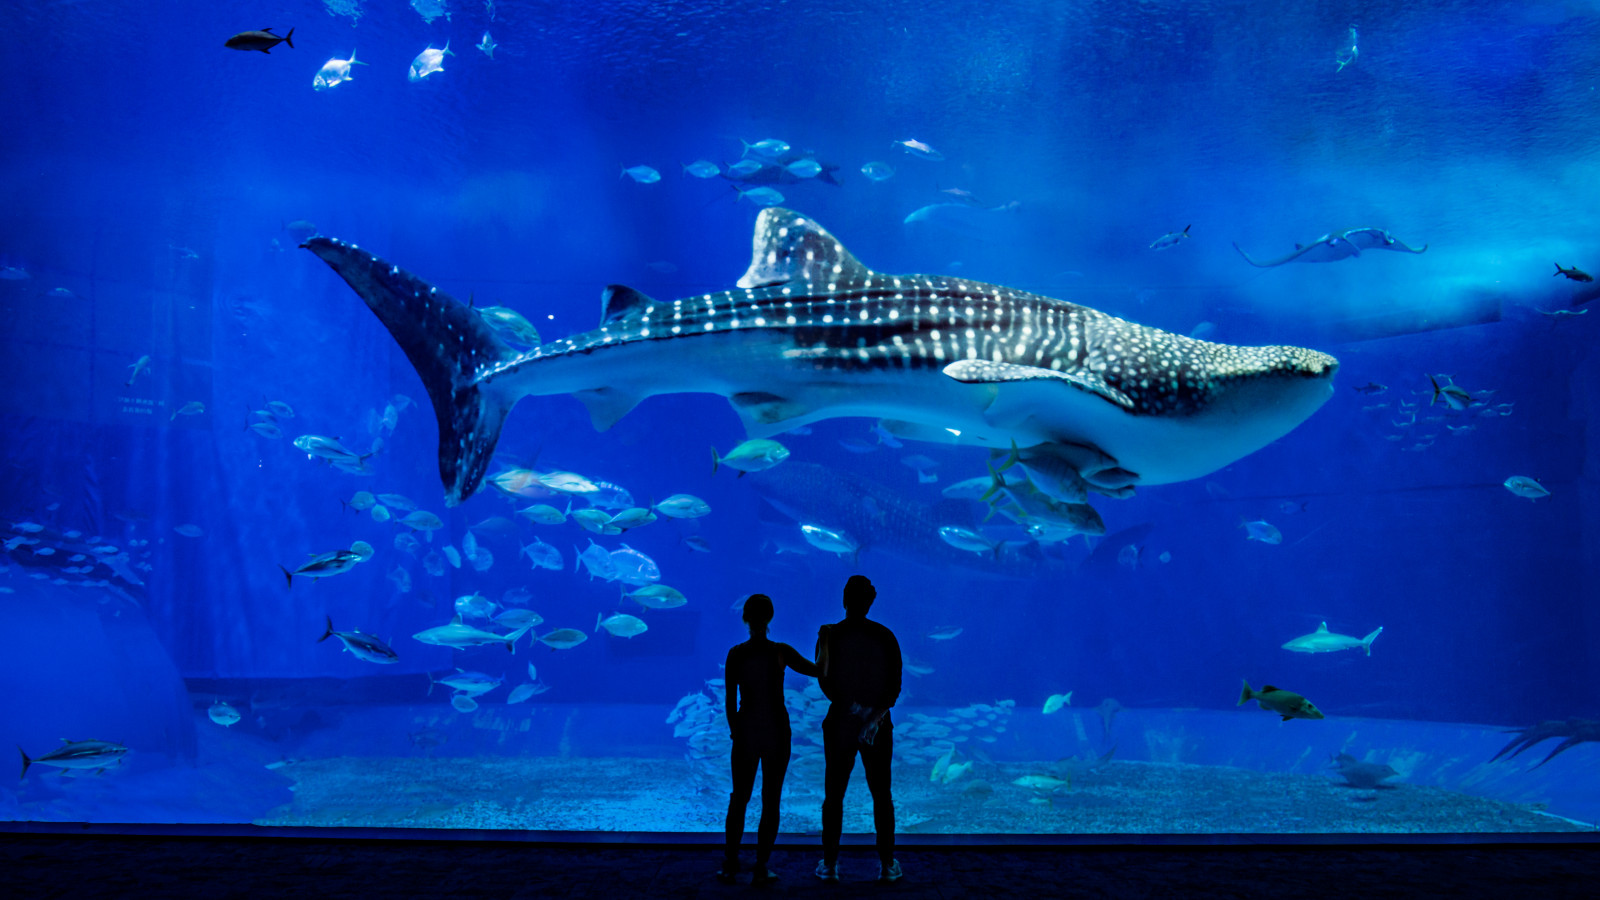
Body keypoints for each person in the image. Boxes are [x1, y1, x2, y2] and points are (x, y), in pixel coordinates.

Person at [718, 593, 821, 886]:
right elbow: (815, 670)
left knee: (739, 798)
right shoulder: (781, 652)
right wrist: (826, 643)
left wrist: (735, 730)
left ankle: (730, 863)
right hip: (777, 731)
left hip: (747, 730)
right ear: (771, 617)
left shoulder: (736, 653)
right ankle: (761, 866)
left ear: (745, 618)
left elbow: (729, 700)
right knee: (770, 799)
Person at [814, 574, 903, 883]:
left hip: (840, 721)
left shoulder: (829, 634)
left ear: (844, 599)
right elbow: (894, 686)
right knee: (882, 794)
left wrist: (851, 707)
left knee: (834, 793)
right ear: (871, 601)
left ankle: (829, 863)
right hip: (877, 725)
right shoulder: (886, 636)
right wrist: (872, 716)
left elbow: (824, 679)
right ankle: (887, 863)